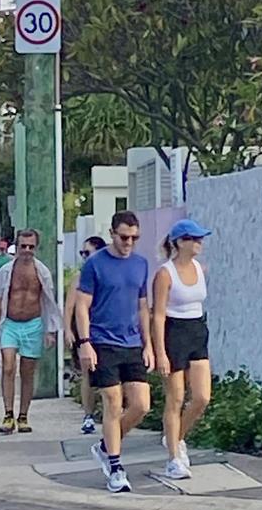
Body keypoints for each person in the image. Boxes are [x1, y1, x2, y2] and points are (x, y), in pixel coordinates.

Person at [76, 211, 154, 494]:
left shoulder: (141, 264)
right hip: (102, 340)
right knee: (112, 401)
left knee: (141, 405)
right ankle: (116, 467)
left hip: (131, 342)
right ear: (112, 234)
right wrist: (85, 342)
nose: (129, 242)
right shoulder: (95, 264)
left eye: (134, 238)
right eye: (124, 237)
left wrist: (149, 345)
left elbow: (142, 307)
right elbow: (82, 305)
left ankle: (106, 445)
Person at [0, 229, 61, 434]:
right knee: (8, 367)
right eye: (23, 246)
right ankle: (8, 414)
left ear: (36, 247)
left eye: (31, 247)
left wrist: (50, 330)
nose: (26, 250)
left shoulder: (41, 272)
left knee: (27, 372)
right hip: (10, 324)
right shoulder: (5, 271)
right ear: (16, 246)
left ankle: (23, 415)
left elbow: (49, 302)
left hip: (33, 325)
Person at [152, 218, 212, 481]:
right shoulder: (165, 273)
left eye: (199, 239)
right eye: (192, 239)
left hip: (197, 331)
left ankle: (176, 438)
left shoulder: (200, 268)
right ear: (178, 242)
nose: (198, 243)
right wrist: (160, 352)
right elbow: (158, 315)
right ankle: (174, 458)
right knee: (175, 398)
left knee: (201, 397)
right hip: (173, 333)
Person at [64, 236, 107, 434]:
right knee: (88, 374)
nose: (84, 257)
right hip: (85, 331)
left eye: (87, 253)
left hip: (106, 331)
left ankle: (109, 413)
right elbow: (70, 306)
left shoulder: (109, 273)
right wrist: (68, 330)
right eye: (82, 253)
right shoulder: (80, 277)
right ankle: (88, 415)